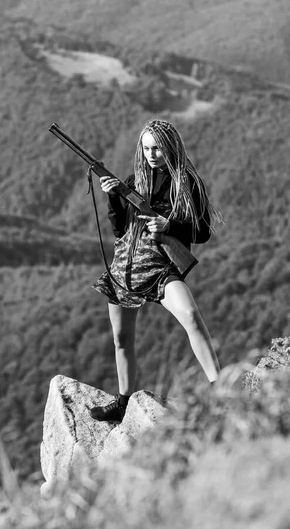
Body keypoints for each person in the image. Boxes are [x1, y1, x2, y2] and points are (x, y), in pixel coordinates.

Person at [89, 119, 222, 422]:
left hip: (160, 266)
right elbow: (119, 230)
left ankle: (220, 386)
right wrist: (112, 195)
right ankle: (123, 402)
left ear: (170, 147)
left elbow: (202, 232)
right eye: (146, 148)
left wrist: (169, 225)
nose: (151, 155)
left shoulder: (187, 182)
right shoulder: (134, 181)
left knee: (190, 315)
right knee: (121, 339)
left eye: (157, 149)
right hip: (126, 268)